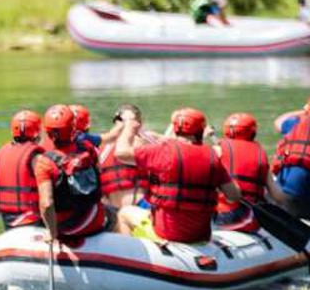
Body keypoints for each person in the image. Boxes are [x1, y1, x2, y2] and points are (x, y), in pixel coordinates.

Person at [116, 108, 240, 243]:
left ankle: (132, 254)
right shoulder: (212, 156)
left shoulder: (162, 150)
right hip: (200, 235)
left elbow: (121, 153)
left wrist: (128, 128)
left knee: (125, 213)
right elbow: (234, 195)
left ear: (175, 130)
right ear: (200, 131)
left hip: (166, 233)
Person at [35, 104, 112, 244]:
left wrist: (52, 234)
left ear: (47, 131)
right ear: (73, 127)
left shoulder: (44, 162)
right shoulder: (88, 148)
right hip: (94, 221)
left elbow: (46, 204)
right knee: (114, 214)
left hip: (65, 229)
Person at [0, 109, 45, 229]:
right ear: (38, 132)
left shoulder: (2, 153)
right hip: (33, 221)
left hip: (9, 221)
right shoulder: (36, 157)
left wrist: (7, 202)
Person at [213, 113, 271, 232]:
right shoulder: (260, 154)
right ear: (253, 133)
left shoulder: (217, 150)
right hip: (250, 217)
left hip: (225, 216)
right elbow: (278, 196)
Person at [96, 104, 155, 209]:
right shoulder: (141, 141)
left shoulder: (101, 145)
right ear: (139, 123)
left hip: (110, 210)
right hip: (140, 207)